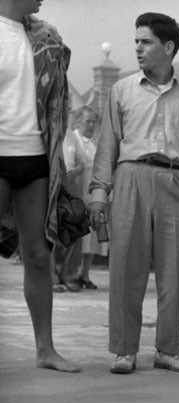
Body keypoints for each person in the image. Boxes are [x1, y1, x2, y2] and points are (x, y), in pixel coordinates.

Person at [88, 12, 179, 375]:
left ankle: (168, 350)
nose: (138, 48)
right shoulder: (123, 89)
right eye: (137, 42)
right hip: (131, 180)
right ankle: (124, 350)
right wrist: (99, 191)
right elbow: (107, 145)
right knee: (126, 268)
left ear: (168, 47)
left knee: (174, 274)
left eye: (146, 42)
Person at [0, 0, 79, 372]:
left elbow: (57, 101)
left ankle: (45, 349)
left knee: (37, 255)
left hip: (35, 154)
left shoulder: (45, 37)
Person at [56, 105, 103, 292]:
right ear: (77, 121)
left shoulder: (95, 143)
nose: (91, 125)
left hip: (92, 196)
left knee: (93, 237)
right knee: (75, 236)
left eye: (94, 121)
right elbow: (70, 166)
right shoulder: (72, 139)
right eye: (87, 121)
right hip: (76, 195)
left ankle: (84, 273)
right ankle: (67, 273)